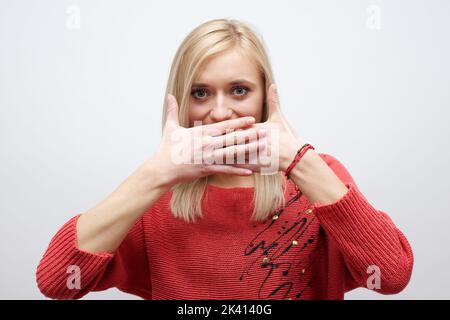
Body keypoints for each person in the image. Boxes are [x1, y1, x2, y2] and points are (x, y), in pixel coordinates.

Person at [36, 18, 413, 300]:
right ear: (181, 101)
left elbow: (391, 275)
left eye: (239, 90)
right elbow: (57, 282)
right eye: (200, 93)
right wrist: (154, 175)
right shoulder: (156, 198)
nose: (219, 112)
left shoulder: (318, 177)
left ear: (266, 96)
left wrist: (299, 160)